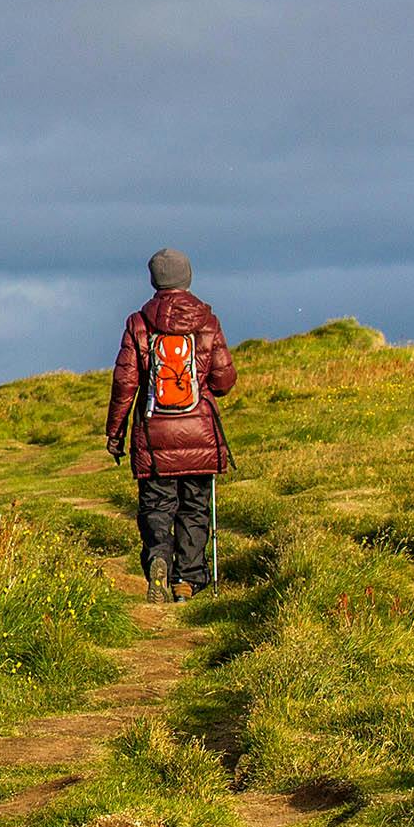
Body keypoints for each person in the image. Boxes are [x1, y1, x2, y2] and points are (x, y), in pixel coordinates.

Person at [105, 248, 236, 603]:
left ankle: (159, 561)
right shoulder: (208, 321)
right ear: (187, 277)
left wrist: (115, 434)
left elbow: (124, 384)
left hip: (153, 435)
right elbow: (224, 381)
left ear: (154, 280)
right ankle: (187, 581)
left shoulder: (138, 323)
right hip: (200, 435)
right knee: (194, 507)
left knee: (157, 506)